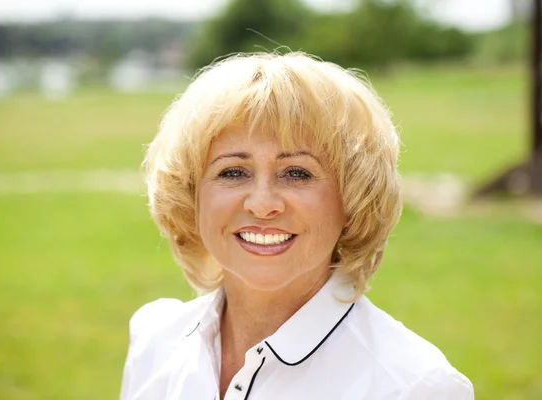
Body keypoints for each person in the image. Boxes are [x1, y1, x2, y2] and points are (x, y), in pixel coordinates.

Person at [121, 52, 473, 400]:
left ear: (353, 199)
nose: (262, 204)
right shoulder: (155, 341)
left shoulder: (414, 385)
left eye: (296, 173)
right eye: (232, 172)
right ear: (191, 194)